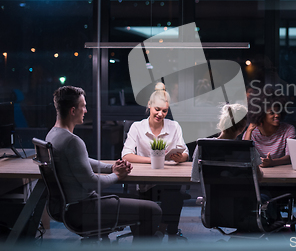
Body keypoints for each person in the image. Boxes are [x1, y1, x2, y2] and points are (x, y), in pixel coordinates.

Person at [46, 86, 162, 240]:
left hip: (67, 208)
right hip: (84, 210)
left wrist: (111, 167)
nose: (86, 111)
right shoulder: (72, 141)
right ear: (73, 111)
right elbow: (93, 183)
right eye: (84, 106)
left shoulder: (52, 135)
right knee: (153, 210)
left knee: (139, 204)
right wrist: (117, 175)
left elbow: (83, 162)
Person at [121, 82, 189, 240]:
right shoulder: (137, 127)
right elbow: (126, 155)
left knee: (173, 191)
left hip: (169, 179)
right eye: (157, 109)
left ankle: (162, 229)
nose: (160, 114)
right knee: (172, 195)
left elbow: (185, 152)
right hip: (146, 183)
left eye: (164, 111)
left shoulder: (174, 126)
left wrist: (181, 157)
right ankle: (158, 231)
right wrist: (152, 160)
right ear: (149, 106)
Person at [244, 95, 296, 167]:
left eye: (278, 112)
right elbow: (245, 155)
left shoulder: (288, 130)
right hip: (258, 171)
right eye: (272, 113)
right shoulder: (253, 131)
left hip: (281, 172)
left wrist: (272, 163)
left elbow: (290, 157)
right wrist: (249, 130)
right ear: (261, 115)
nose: (277, 115)